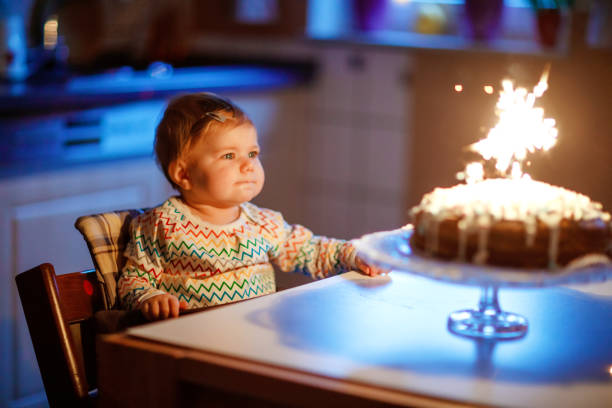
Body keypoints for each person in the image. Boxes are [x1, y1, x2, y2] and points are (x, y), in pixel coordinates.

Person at [118, 92, 388, 321]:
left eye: (252, 153)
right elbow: (134, 279)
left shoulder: (264, 223)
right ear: (184, 175)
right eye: (229, 156)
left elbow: (311, 250)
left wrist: (353, 255)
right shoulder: (162, 224)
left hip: (255, 333)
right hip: (193, 341)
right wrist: (150, 297)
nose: (248, 165)